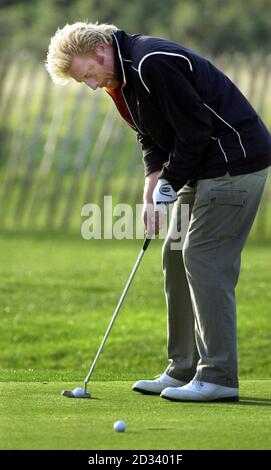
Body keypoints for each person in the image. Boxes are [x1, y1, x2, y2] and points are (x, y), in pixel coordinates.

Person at [46, 22, 271, 402]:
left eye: (87, 74)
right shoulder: (121, 80)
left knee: (203, 256)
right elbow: (149, 132)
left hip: (236, 163)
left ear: (101, 50)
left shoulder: (152, 61)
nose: (90, 85)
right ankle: (182, 369)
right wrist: (154, 181)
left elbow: (196, 129)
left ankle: (218, 376)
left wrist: (171, 181)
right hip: (204, 168)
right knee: (174, 253)